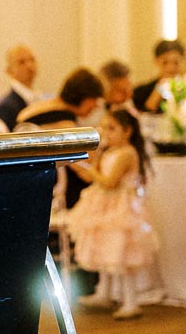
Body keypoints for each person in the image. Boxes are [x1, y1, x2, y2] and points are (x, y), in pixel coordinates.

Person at [66, 108, 158, 320]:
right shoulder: (109, 151)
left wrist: (91, 169)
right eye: (104, 128)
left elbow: (110, 182)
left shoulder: (127, 153)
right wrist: (84, 162)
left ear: (127, 131)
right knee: (104, 247)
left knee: (121, 252)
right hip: (104, 206)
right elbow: (92, 177)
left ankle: (130, 301)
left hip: (120, 208)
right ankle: (103, 292)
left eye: (112, 128)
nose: (106, 133)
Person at [14, 67, 104, 209]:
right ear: (84, 97)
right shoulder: (64, 122)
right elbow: (85, 171)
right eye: (94, 99)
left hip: (23, 173)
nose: (96, 105)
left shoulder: (42, 106)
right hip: (43, 182)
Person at [0, 44, 39, 131]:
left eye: (32, 59)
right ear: (9, 71)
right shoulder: (6, 107)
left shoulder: (38, 98)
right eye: (21, 62)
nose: (29, 65)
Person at [132, 38, 186, 113]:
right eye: (165, 62)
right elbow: (144, 113)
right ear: (156, 61)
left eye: (176, 62)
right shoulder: (140, 92)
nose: (171, 67)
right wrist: (160, 89)